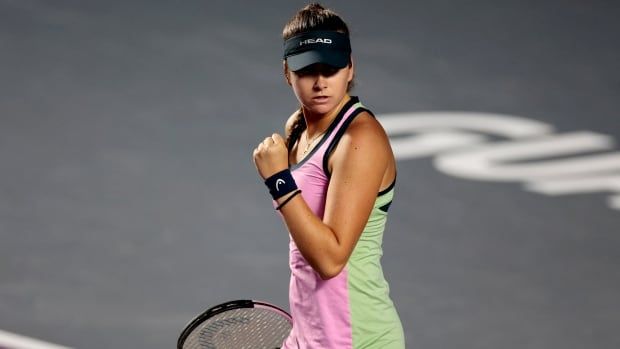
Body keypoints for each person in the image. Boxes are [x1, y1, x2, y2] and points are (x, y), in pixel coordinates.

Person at [252, 3, 405, 348]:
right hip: (311, 337)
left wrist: (279, 181)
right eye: (307, 71)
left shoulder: (360, 140)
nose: (320, 83)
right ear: (287, 73)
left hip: (358, 338)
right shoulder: (298, 129)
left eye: (332, 69)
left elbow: (331, 259)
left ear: (350, 69)